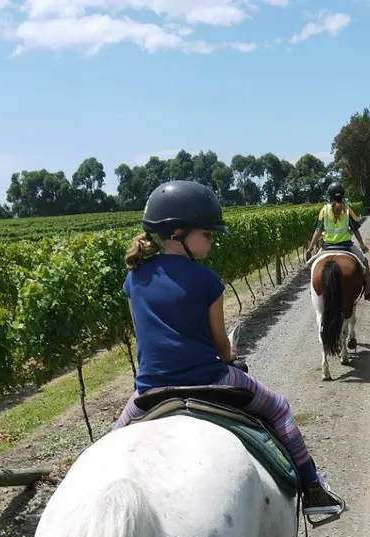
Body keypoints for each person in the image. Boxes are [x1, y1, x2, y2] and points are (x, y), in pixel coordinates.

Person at [111, 180, 345, 518]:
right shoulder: (207, 280)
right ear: (179, 233)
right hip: (210, 378)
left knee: (110, 445)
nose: (212, 240)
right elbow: (221, 345)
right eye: (207, 234)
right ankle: (313, 488)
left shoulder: (134, 279)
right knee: (279, 408)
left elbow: (141, 337)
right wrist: (228, 357)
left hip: (150, 387)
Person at [304, 182, 370, 301]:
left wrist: (311, 247)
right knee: (365, 263)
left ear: (330, 196)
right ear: (342, 195)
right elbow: (356, 230)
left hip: (327, 247)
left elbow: (318, 230)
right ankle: (368, 290)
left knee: (313, 265)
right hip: (346, 246)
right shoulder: (348, 209)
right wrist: (362, 245)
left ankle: (313, 290)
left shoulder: (324, 210)